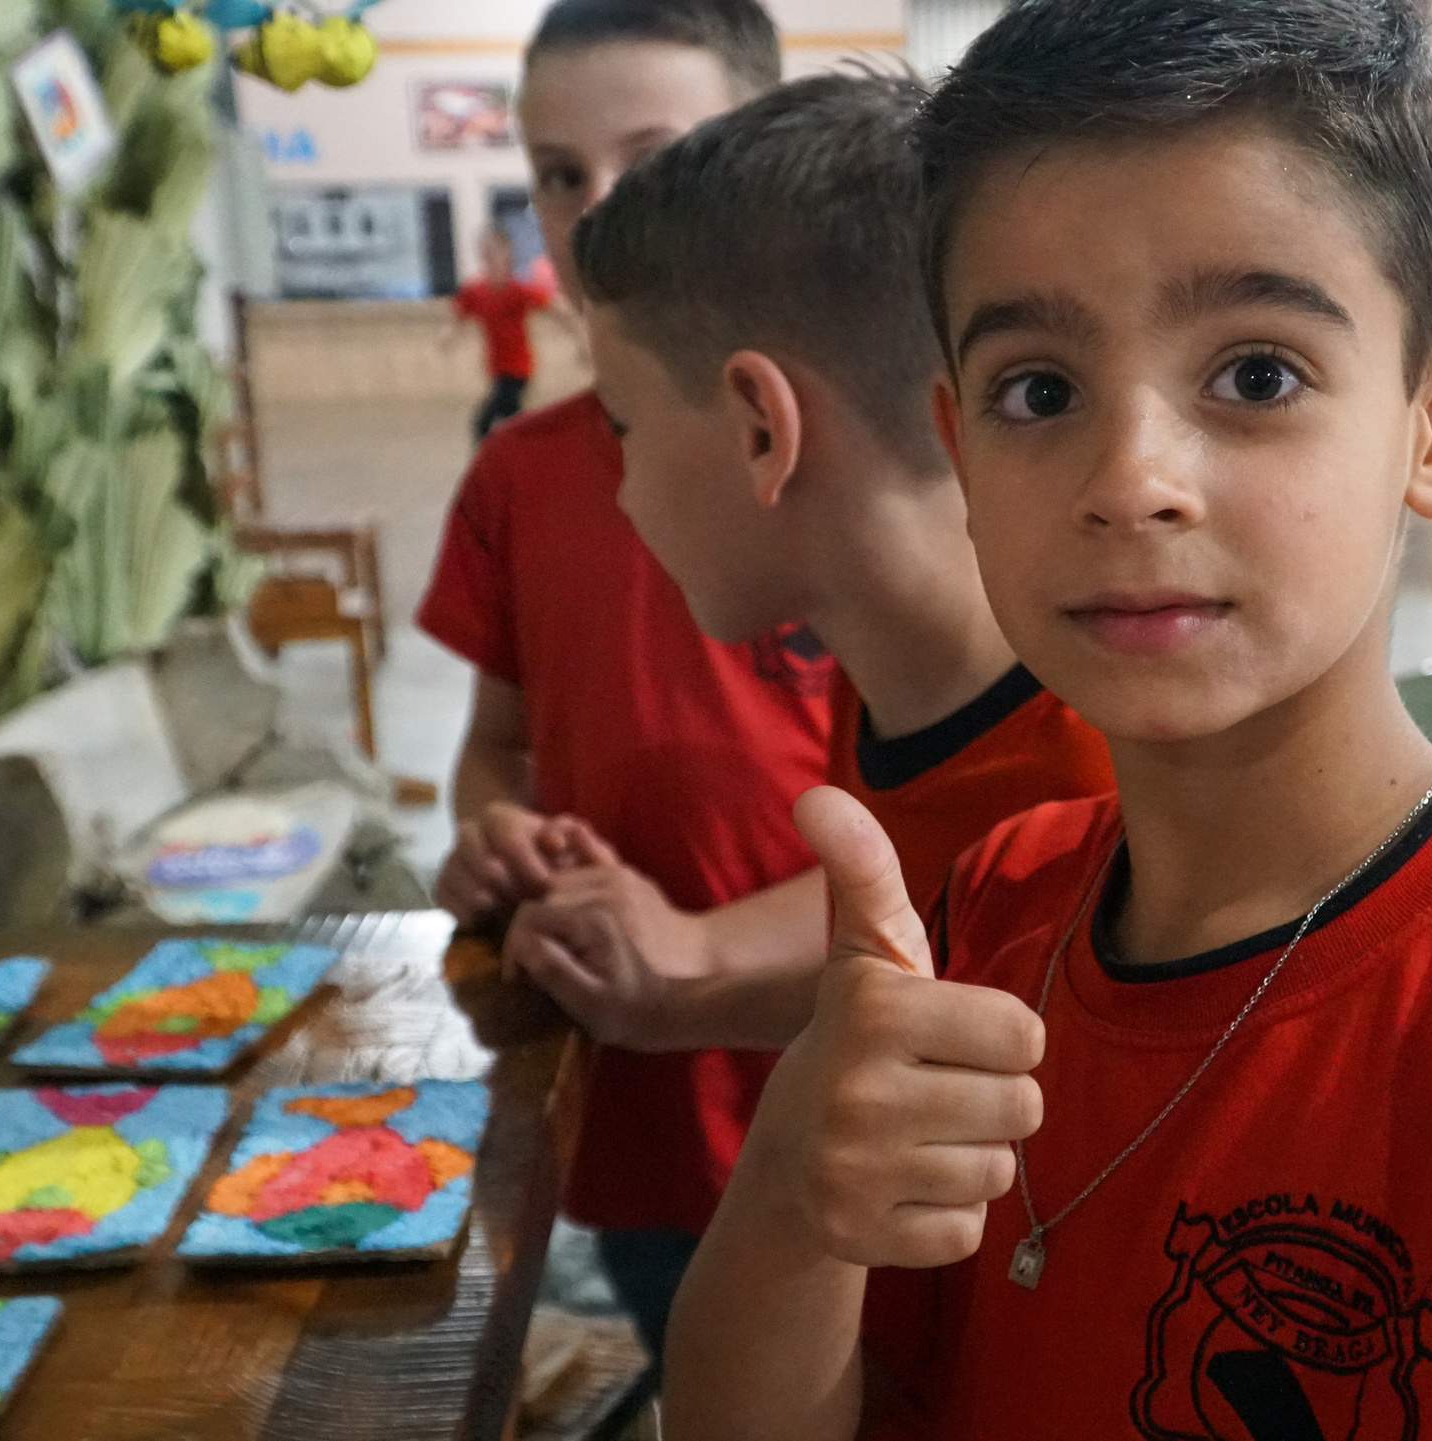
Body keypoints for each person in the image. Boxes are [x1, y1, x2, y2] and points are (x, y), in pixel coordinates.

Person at [664, 2, 1432, 1437]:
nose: (1133, 479)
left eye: (1257, 374)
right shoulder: (987, 924)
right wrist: (791, 1199)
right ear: (959, 448)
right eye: (1039, 390)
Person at [412, 0, 830, 1399]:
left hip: (831, 1084)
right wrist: (496, 833)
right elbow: (496, 747)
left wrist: (702, 951)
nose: (597, 213)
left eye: (652, 160)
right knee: (699, 1374)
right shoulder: (517, 482)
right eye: (558, 172)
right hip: (633, 1097)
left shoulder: (872, 469)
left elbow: (964, 848)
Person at [526, 74, 1116, 1056]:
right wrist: (678, 1003)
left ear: (761, 429)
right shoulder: (883, 662)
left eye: (623, 426)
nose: (623, 492)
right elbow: (910, 971)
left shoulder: (1101, 789)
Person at [447, 226, 557, 441]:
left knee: (484, 422)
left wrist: (581, 336)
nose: (491, 258)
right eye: (486, 252)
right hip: (496, 367)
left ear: (507, 254)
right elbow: (460, 315)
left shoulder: (519, 290)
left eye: (495, 252)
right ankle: (534, 449)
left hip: (518, 368)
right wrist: (449, 336)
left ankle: (493, 460)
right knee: (513, 420)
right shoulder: (476, 292)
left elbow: (555, 307)